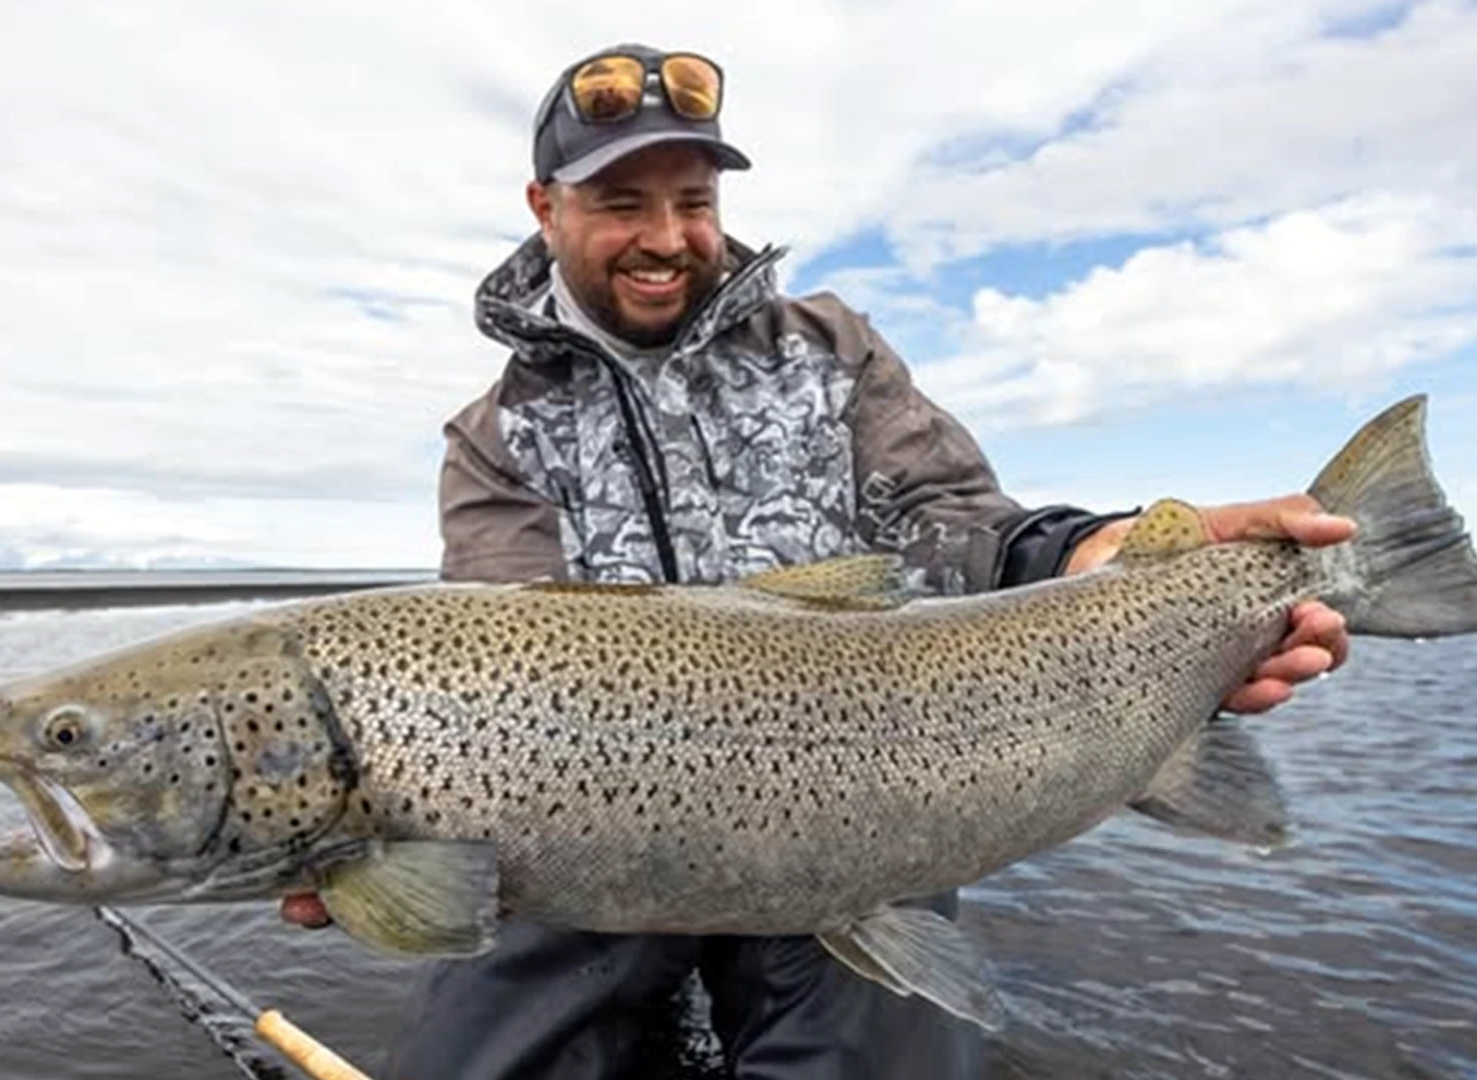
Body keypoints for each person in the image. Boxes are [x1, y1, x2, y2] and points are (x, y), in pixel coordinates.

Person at [281, 42, 1353, 1079]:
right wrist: (384, 855)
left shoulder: (831, 351)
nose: (667, 238)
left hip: (863, 817)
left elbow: (954, 518)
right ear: (543, 207)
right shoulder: (494, 436)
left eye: (693, 203)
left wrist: (1096, 553)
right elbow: (496, 659)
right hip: (582, 852)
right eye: (621, 204)